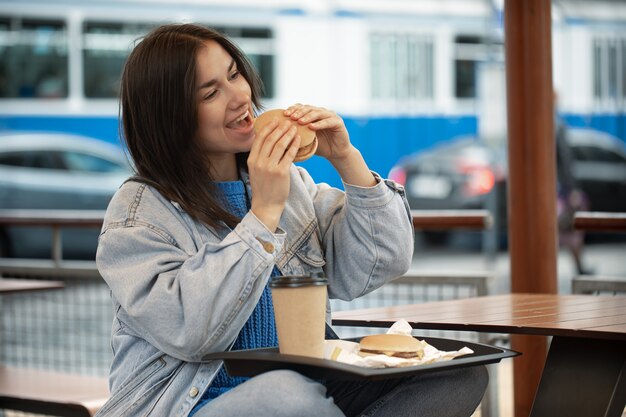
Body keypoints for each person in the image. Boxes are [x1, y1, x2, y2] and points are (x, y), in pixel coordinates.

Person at [95, 23, 488, 417]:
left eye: (235, 74)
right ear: (171, 117)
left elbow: (381, 262)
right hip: (190, 405)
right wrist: (263, 215)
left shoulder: (290, 181)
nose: (239, 97)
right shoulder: (138, 213)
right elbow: (189, 329)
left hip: (308, 388)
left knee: (454, 374)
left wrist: (346, 158)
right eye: (211, 92)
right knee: (287, 394)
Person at [554, 92, 590, 275]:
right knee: (571, 229)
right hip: (559, 189)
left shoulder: (532, 124)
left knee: (558, 230)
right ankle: (580, 268)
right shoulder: (557, 125)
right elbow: (566, 161)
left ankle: (579, 267)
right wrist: (572, 189)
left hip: (549, 189)